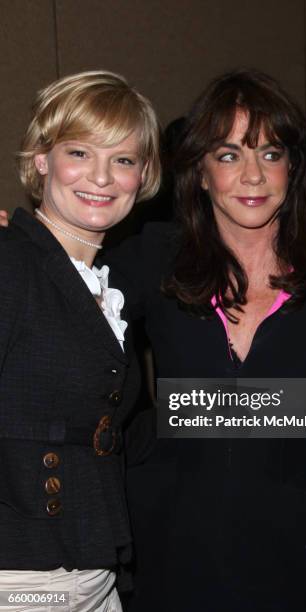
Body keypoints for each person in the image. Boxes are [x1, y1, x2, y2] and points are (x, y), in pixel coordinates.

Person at [104, 70, 306, 612]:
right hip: (164, 557)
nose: (253, 176)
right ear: (201, 172)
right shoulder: (152, 259)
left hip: (289, 561)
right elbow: (63, 293)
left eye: (271, 153)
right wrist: (22, 244)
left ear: (294, 167)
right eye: (230, 155)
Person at [0, 70, 160, 611]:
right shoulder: (9, 263)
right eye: (79, 152)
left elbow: (122, 432)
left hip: (94, 575)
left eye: (123, 159)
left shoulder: (106, 284)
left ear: (144, 174)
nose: (102, 177)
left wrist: (288, 409)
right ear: (41, 159)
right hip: (22, 581)